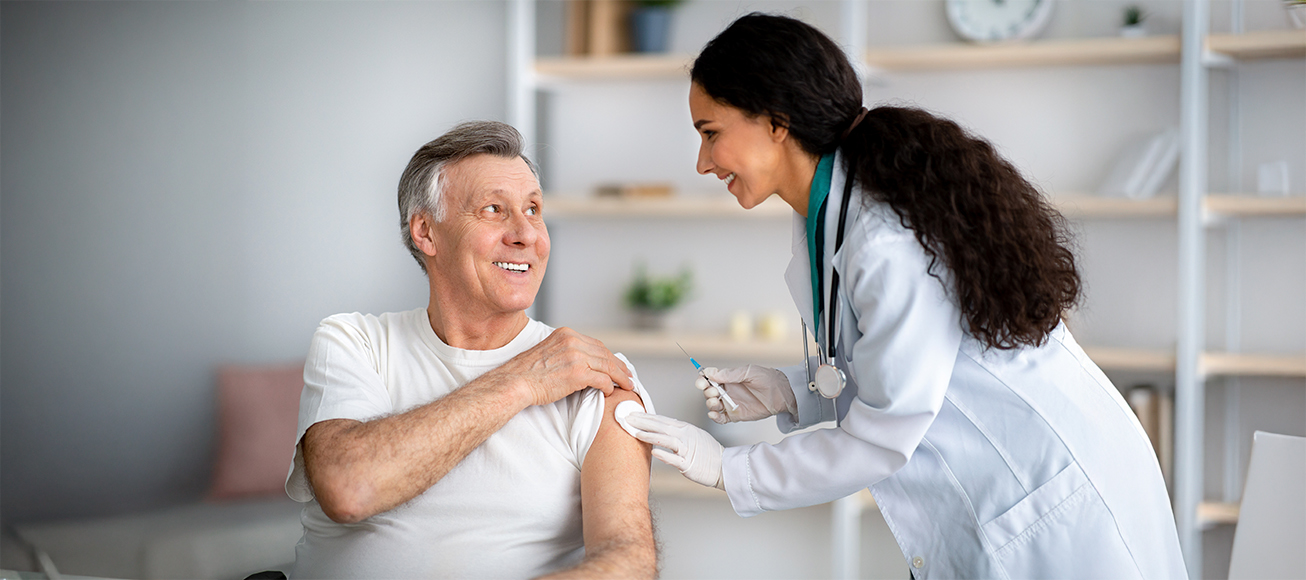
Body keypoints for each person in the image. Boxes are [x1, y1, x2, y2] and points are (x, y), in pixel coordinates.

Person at [624, 13, 1188, 580]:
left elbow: (882, 437)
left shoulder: (882, 237)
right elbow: (895, 371)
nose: (701, 163)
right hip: (1006, 500)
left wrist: (728, 467)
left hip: (1055, 506)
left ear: (776, 121)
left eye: (710, 133)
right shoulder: (828, 217)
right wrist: (792, 391)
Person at [285, 121, 657, 579]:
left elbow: (630, 563)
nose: (526, 235)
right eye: (494, 209)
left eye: (534, 209)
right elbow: (349, 489)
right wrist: (522, 380)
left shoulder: (592, 376)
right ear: (425, 232)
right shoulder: (354, 342)